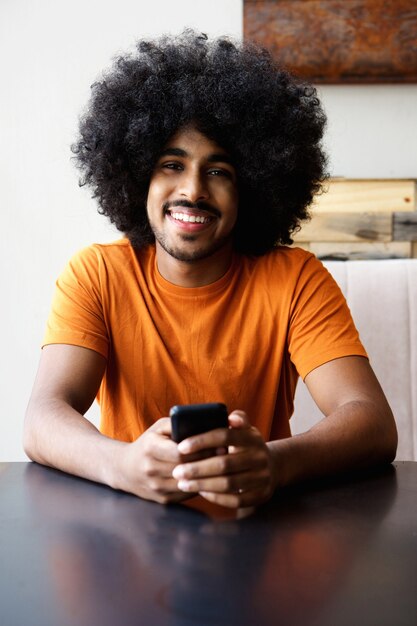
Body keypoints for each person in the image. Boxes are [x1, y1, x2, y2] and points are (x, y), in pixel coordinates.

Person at [23, 30, 397, 508]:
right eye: (171, 165)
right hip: (126, 539)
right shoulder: (97, 274)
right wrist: (124, 465)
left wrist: (274, 463)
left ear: (254, 187)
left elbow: (371, 421)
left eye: (219, 171)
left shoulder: (295, 278)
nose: (194, 191)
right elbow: (41, 418)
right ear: (138, 175)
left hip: (258, 532)